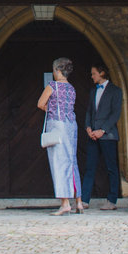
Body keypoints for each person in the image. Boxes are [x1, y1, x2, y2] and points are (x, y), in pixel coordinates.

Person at [38, 57, 82, 215]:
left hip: (57, 125)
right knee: (72, 161)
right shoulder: (72, 88)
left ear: (57, 70)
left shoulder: (52, 86)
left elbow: (40, 103)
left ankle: (65, 203)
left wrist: (51, 110)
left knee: (59, 162)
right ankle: (79, 201)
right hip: (71, 125)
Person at [80, 62, 122, 211]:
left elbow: (115, 114)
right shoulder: (93, 91)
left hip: (108, 135)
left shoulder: (116, 91)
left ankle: (112, 200)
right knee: (89, 167)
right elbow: (89, 111)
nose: (92, 76)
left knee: (111, 168)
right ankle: (84, 200)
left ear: (102, 73)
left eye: (94, 74)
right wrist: (88, 127)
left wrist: (102, 130)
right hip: (93, 135)